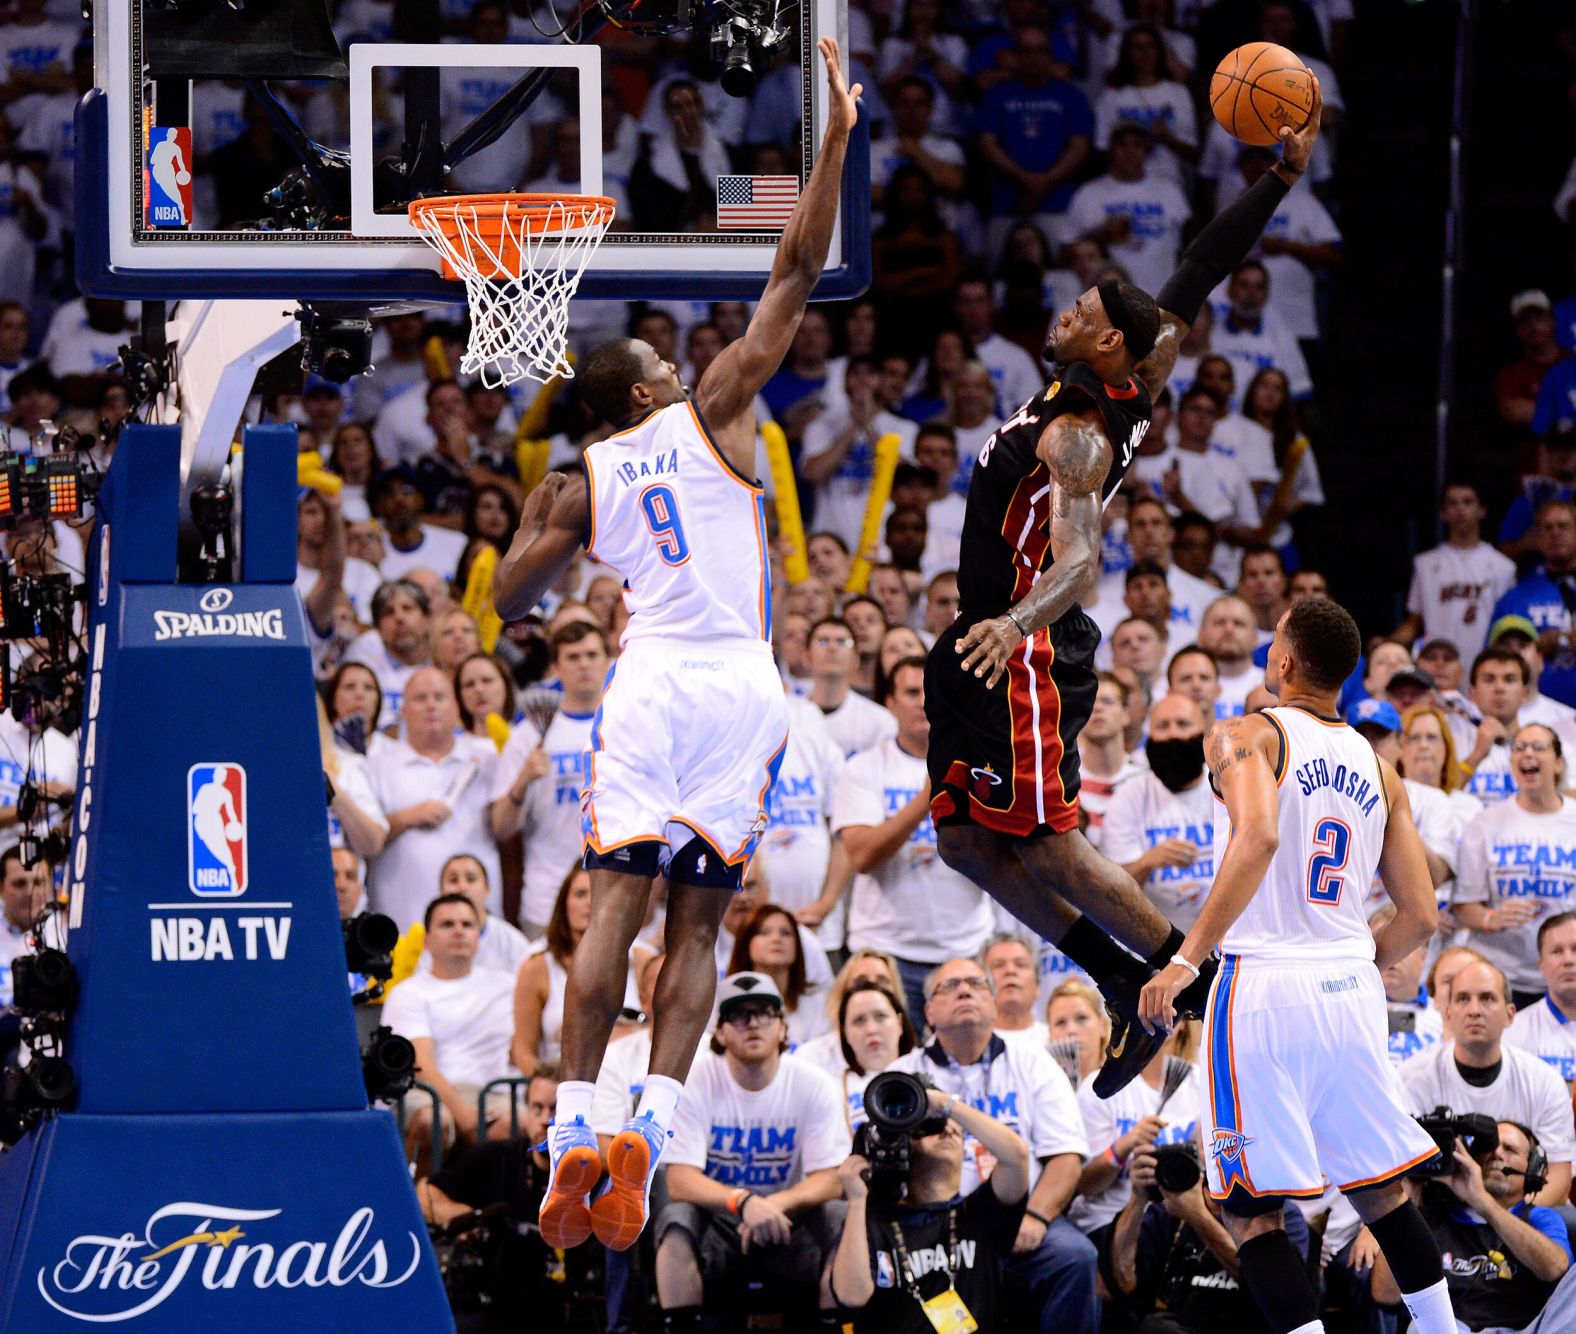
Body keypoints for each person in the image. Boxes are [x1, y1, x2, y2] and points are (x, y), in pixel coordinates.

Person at [488, 40, 862, 1256]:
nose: (667, 349)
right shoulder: (707, 407)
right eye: (654, 352)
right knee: (698, 925)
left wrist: (554, 576)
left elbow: (505, 595)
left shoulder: (572, 476)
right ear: (650, 382)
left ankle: (574, 1129)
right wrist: (836, 140)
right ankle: (650, 1119)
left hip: (645, 681)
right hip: (738, 685)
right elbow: (796, 269)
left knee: (612, 906)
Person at [924, 71, 1324, 1100]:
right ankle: (1120, 976)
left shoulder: (1076, 435)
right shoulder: (1128, 372)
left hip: (1018, 647)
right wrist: (1275, 178)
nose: (1063, 308)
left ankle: (1192, 981)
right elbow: (1197, 268)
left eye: (1081, 308)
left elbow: (1078, 560)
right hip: (986, 641)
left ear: (1106, 341)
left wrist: (1012, 619)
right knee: (966, 841)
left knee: (1051, 847)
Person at [1138, 596, 1459, 1334]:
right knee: (1382, 1193)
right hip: (1350, 987)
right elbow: (1421, 917)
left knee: (1253, 1214)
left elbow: (1256, 839)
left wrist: (1186, 961)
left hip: (1262, 987)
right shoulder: (1383, 770)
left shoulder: (1242, 733)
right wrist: (1344, 959)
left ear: (1282, 662)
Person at [892, 956, 1096, 1331]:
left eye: (976, 983)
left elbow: (1066, 1156)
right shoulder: (902, 1074)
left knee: (1074, 1257)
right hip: (930, 1219)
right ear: (929, 1012)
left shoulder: (1035, 1064)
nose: (965, 990)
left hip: (1016, 1211)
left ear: (993, 1001)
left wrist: (1036, 1216)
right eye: (949, 986)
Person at [656, 972, 850, 1330]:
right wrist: (744, 1202)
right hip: (719, 1221)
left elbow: (830, 1179)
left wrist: (776, 1205)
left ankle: (835, 1324)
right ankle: (679, 1325)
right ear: (720, 1033)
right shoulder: (695, 1080)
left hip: (789, 1218)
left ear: (782, 1027)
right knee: (675, 1218)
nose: (752, 1024)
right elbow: (681, 1181)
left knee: (841, 1216)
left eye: (764, 1013)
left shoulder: (813, 1083)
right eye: (739, 1015)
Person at [831, 657, 993, 1022]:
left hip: (965, 949)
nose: (923, 701)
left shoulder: (982, 765)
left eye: (931, 691)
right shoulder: (864, 769)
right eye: (911, 692)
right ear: (889, 702)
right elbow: (862, 856)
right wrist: (927, 800)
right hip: (885, 954)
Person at [828, 1077, 1033, 1334]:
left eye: (955, 1129)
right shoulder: (873, 1222)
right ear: (904, 1143)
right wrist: (857, 1201)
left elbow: (1017, 1155)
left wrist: (941, 1103)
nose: (948, 1130)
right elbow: (851, 1296)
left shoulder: (980, 1213)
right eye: (932, 1127)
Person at [416, 1066, 597, 1329]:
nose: (546, 1120)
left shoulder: (592, 1171)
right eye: (537, 1108)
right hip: (500, 1305)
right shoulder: (499, 1157)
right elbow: (425, 1193)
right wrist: (467, 1218)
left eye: (556, 1110)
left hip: (570, 1306)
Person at [1398, 958, 1575, 1207]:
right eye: (1462, 999)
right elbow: (1399, 1174)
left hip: (1520, 1212)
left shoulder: (1544, 1081)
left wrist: (1505, 1223)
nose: (1474, 1010)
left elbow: (1558, 1176)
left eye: (1487, 998)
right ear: (1447, 1013)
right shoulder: (1410, 1079)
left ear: (1510, 1014)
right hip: (1441, 1212)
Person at [1370, 1120, 1573, 1333]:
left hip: (1528, 1329)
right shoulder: (1431, 1217)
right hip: (1452, 1329)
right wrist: (1407, 1202)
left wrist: (1482, 1202)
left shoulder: (1541, 1217)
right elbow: (1384, 1294)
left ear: (1533, 1167)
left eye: (1510, 1149)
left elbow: (1556, 1269)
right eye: (1490, 1147)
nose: (1497, 1154)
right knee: (1422, 1327)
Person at [1110, 1133, 1313, 1334]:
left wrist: (1198, 1216)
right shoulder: (1170, 1209)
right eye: (1214, 1148)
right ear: (1193, 1153)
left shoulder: (1282, 1215)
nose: (1225, 1159)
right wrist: (1138, 1199)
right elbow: (1117, 1285)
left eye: (1231, 1147)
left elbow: (1280, 1294)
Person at [489, 622, 610, 938]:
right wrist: (522, 781)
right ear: (556, 667)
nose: (583, 664)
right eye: (572, 657)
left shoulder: (628, 727)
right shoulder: (527, 735)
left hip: (615, 898)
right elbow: (501, 827)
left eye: (591, 654)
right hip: (545, 902)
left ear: (608, 660)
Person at [364, 668, 500, 930]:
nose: (431, 705)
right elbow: (364, 842)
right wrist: (406, 818)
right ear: (403, 710)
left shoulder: (487, 763)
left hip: (474, 921)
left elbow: (508, 836)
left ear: (457, 707)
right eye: (420, 698)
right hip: (400, 913)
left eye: (440, 697)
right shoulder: (376, 768)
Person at [382, 893, 518, 1152]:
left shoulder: (508, 986)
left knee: (522, 1123)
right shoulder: (407, 993)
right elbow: (421, 1065)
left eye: (467, 925)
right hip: (430, 1094)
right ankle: (419, 1193)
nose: (458, 931)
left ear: (479, 937)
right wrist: (464, 1116)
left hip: (495, 1095)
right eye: (447, 925)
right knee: (432, 1121)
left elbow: (522, 1049)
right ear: (426, 942)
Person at [1453, 724, 1576, 1005]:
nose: (1527, 754)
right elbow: (1463, 908)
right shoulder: (1485, 824)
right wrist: (1490, 918)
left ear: (1558, 764)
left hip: (1566, 979)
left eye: (1538, 747)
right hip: (1500, 977)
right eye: (1519, 748)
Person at [1103, 693, 1216, 931]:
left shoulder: (1227, 788)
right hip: (1152, 942)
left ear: (1204, 733)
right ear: (1149, 736)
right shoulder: (1129, 795)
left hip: (1224, 942)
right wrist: (1148, 861)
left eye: (1183, 724)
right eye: (1163, 726)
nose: (1173, 734)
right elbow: (1110, 895)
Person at [1396, 483, 1517, 660]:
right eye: (1452, 503)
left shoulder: (1504, 567)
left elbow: (1508, 627)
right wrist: (1388, 642)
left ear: (1482, 510)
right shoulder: (1425, 564)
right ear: (1443, 513)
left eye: (1468, 502)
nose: (1460, 509)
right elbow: (1413, 624)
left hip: (1485, 665)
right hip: (1438, 666)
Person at [800, 976, 919, 1135]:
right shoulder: (828, 1088)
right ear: (845, 1033)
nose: (871, 1029)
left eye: (880, 1016)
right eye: (859, 1021)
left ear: (900, 1022)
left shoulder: (928, 1069)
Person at [1491, 500, 1576, 709]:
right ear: (1537, 538)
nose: (1555, 533)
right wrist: (1535, 646)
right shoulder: (1516, 597)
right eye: (1547, 528)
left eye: (1563, 526)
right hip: (1534, 712)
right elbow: (1493, 658)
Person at [511, 867, 593, 1077]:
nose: (590, 902)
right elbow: (523, 1052)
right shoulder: (536, 968)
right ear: (564, 904)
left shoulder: (637, 960)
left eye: (598, 894)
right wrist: (548, 1087)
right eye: (580, 894)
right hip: (560, 1082)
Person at [726, 902, 831, 1048]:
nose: (776, 939)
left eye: (786, 933)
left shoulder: (820, 1004)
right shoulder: (725, 1002)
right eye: (764, 932)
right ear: (746, 945)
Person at [425, 853, 534, 980]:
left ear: (487, 889)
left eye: (471, 879)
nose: (462, 887)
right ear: (441, 891)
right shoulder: (431, 939)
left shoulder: (512, 942)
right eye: (453, 880)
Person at [1505, 912, 1576, 1086]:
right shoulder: (1514, 1032)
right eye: (1557, 952)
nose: (1568, 960)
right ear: (1541, 965)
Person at [985, 932, 1050, 1049]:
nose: (1010, 971)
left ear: (1037, 986)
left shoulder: (1056, 1041)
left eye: (1021, 964)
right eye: (998, 965)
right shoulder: (970, 1044)